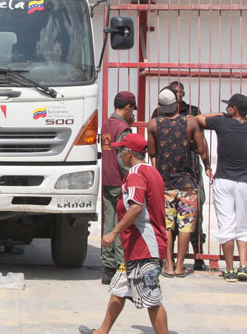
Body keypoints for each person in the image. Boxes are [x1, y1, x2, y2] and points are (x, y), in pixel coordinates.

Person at [79, 134, 168, 334]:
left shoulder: (136, 174)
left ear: (128, 153)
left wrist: (113, 233)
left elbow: (135, 208)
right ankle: (102, 331)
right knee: (119, 289)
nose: (119, 155)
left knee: (152, 299)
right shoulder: (152, 172)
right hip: (136, 248)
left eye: (121, 151)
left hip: (144, 247)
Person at [147, 87, 207, 278]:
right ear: (177, 104)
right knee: (185, 225)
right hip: (187, 182)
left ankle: (168, 265)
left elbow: (152, 153)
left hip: (164, 182)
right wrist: (189, 144)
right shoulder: (190, 122)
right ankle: (181, 266)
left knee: (166, 226)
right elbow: (201, 149)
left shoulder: (154, 125)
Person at [196, 93, 247, 283]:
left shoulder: (223, 123)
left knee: (226, 224)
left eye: (228, 106)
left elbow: (197, 119)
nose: (226, 108)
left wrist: (220, 115)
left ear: (235, 109)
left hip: (224, 180)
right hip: (245, 183)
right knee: (243, 226)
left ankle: (230, 270)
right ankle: (243, 266)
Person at [99, 91, 136, 284]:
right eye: (132, 109)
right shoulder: (123, 128)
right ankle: (122, 266)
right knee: (122, 226)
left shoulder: (106, 124)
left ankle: (108, 268)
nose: (132, 114)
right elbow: (125, 158)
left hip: (107, 179)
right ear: (128, 107)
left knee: (109, 223)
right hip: (121, 182)